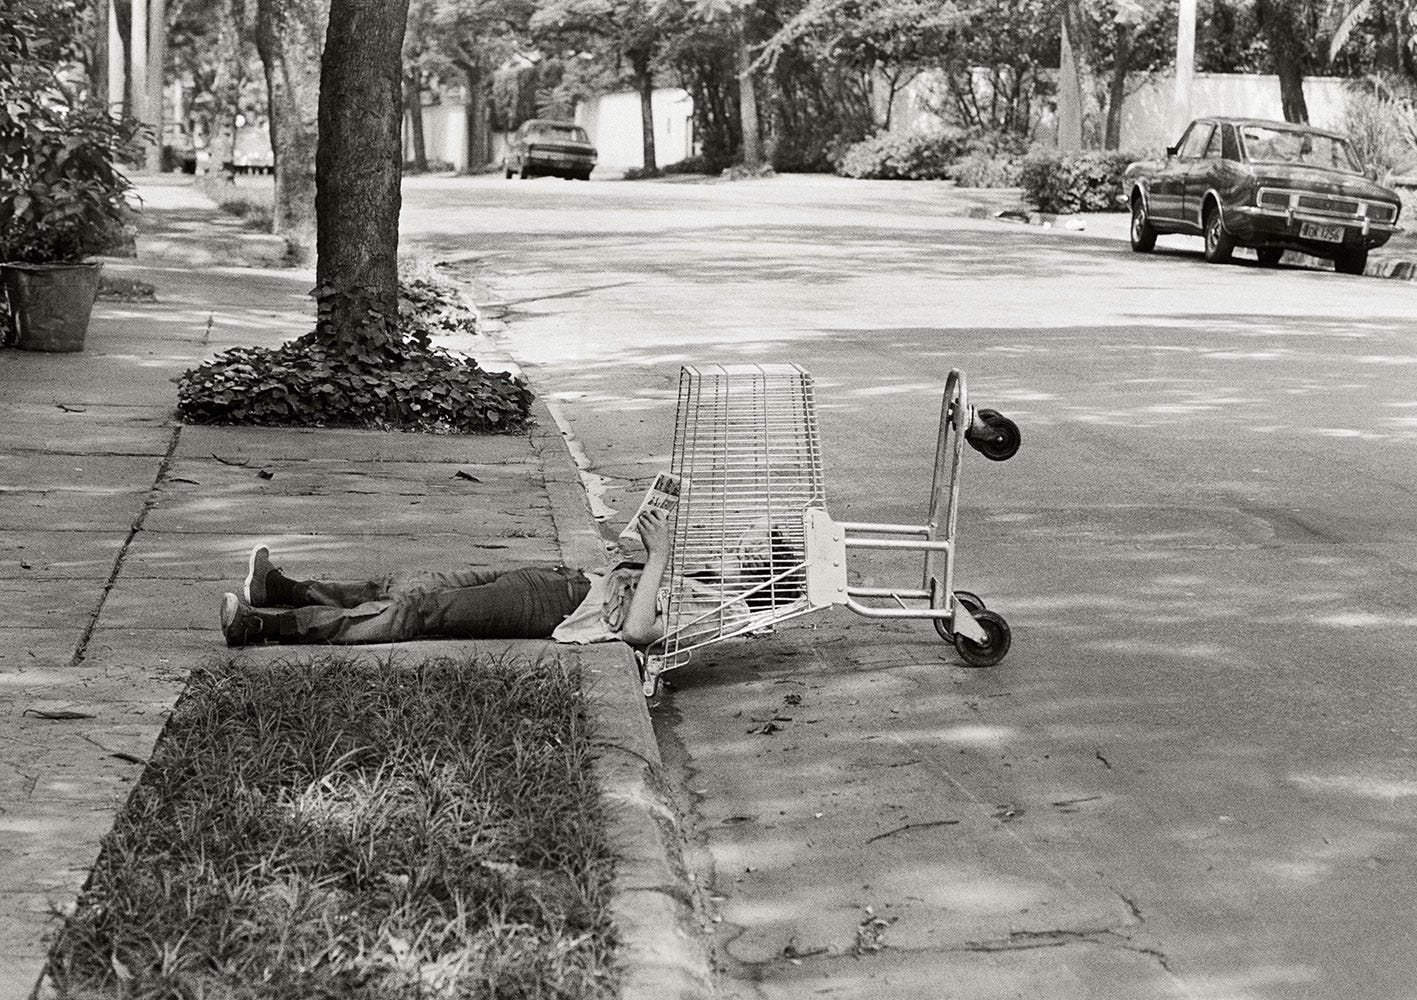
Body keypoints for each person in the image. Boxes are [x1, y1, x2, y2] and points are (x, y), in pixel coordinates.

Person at [219, 507, 671, 648]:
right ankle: (280, 589)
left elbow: (637, 629)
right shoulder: (705, 580)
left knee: (416, 611)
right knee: (402, 584)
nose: (741, 552)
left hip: (554, 608)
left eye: (744, 555)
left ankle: (262, 626)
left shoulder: (713, 616)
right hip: (561, 580)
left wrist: (660, 555)